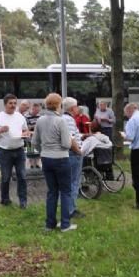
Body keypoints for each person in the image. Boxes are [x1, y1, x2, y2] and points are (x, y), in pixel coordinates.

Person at [32, 93, 77, 232]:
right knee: (65, 191)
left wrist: (43, 150)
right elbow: (66, 144)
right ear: (59, 105)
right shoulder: (61, 121)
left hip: (46, 158)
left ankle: (50, 224)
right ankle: (65, 224)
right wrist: (71, 139)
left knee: (52, 192)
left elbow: (34, 142)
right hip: (61, 159)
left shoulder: (40, 120)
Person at [0, 94, 29, 209]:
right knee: (6, 177)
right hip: (4, 151)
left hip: (19, 150)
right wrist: (0, 130)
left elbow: (25, 130)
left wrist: (25, 134)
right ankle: (5, 199)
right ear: (5, 104)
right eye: (10, 103)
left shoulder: (20, 116)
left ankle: (23, 201)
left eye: (15, 103)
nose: (13, 105)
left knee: (22, 176)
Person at [62, 97, 86, 219]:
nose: (78, 108)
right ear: (72, 108)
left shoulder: (63, 118)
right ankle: (71, 210)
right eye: (77, 106)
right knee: (73, 182)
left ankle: (68, 208)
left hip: (66, 154)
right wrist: (79, 151)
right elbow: (70, 139)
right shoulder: (69, 120)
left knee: (67, 183)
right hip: (73, 154)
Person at [25, 103, 42, 169]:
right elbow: (25, 127)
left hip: (37, 135)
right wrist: (34, 126)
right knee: (30, 150)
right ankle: (31, 164)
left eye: (38, 111)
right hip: (30, 136)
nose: (37, 113)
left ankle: (37, 163)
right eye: (36, 111)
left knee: (38, 149)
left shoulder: (39, 116)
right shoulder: (26, 116)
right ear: (33, 109)